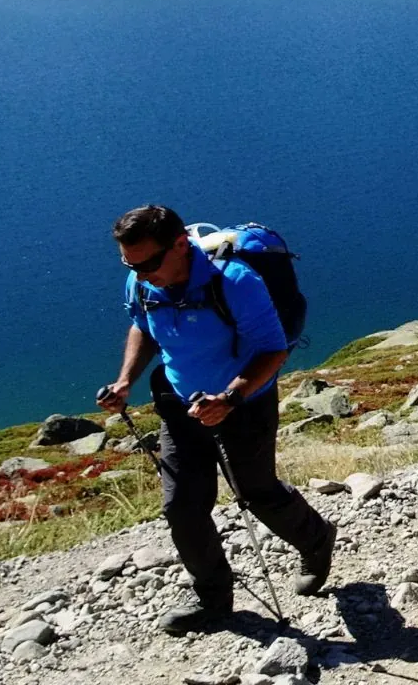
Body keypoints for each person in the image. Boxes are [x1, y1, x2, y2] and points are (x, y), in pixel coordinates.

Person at [96, 205, 335, 635]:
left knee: (257, 493)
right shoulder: (142, 282)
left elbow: (273, 350)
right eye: (130, 264)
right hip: (178, 403)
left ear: (180, 245)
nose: (140, 273)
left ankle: (317, 541)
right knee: (181, 506)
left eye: (148, 263)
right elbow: (143, 328)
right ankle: (213, 599)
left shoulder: (237, 283)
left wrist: (230, 397)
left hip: (244, 405)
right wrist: (124, 380)